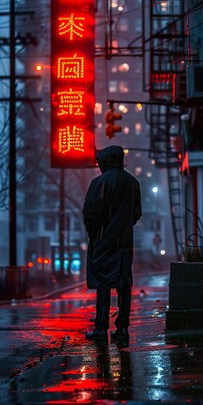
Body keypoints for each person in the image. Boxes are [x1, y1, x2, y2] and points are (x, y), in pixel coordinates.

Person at [82, 144, 142, 342]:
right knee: (124, 283)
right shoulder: (132, 183)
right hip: (124, 240)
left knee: (103, 283)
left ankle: (101, 327)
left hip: (102, 241)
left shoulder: (98, 183)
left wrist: (95, 234)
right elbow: (136, 213)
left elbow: (90, 213)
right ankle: (122, 327)